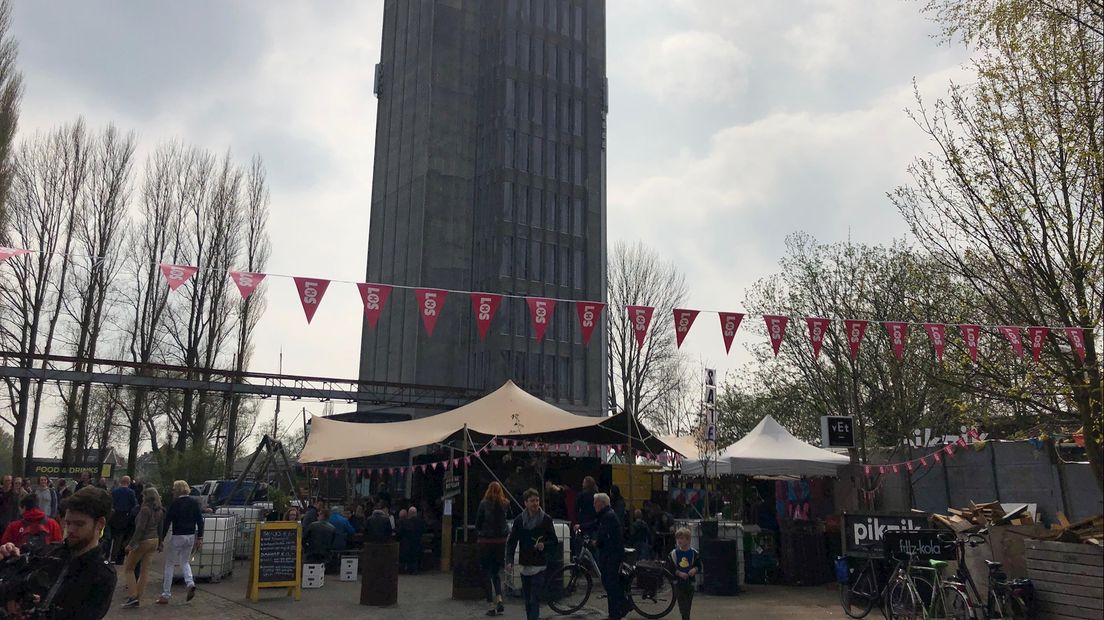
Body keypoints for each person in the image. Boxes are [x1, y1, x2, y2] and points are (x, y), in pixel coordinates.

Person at [0, 486, 117, 619]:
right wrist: (10, 558)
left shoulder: (101, 575)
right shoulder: (51, 552)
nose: (71, 530)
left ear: (100, 523)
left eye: (79, 524)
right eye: (67, 523)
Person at [506, 488, 557, 620]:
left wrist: (544, 545)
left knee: (534, 599)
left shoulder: (545, 520)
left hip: (540, 565)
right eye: (532, 501)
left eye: (537, 500)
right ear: (525, 503)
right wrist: (509, 560)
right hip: (525, 564)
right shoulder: (519, 521)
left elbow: (554, 541)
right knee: (528, 600)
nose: (535, 503)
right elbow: (512, 542)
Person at [157, 480, 203, 605]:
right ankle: (190, 582)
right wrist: (200, 537)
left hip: (178, 535)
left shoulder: (175, 503)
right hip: (190, 535)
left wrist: (161, 539)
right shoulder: (194, 503)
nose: (172, 491)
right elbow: (200, 520)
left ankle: (166, 594)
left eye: (173, 489)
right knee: (185, 561)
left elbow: (167, 522)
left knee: (170, 564)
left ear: (177, 490)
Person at [120, 487, 165, 608]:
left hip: (144, 540)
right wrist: (160, 542)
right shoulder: (160, 510)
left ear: (146, 497)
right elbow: (160, 528)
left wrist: (131, 544)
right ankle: (138, 595)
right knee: (145, 570)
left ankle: (133, 595)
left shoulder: (144, 510)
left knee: (129, 568)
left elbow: (140, 528)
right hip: (154, 540)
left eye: (143, 496)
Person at [476, 481, 510, 615]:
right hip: (500, 542)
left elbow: (478, 522)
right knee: (496, 573)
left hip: (485, 541)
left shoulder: (483, 504)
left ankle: (490, 605)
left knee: (486, 572)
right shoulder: (505, 504)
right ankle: (500, 598)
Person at [593, 492, 626, 620]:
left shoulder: (608, 516)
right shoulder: (606, 514)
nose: (593, 505)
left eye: (595, 503)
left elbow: (604, 534)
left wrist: (597, 542)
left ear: (601, 504)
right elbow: (596, 524)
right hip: (610, 554)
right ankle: (614, 612)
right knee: (609, 582)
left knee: (610, 583)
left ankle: (616, 611)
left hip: (611, 555)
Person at [665, 527, 702, 620]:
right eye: (678, 538)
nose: (679, 540)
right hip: (678, 583)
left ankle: (686, 617)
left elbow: (699, 566)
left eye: (681, 538)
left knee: (688, 603)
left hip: (690, 582)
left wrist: (695, 569)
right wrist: (678, 573)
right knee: (682, 604)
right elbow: (670, 568)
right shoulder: (673, 554)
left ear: (688, 540)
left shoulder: (694, 553)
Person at [109, 475, 137, 565]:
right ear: (129, 483)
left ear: (121, 482)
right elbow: (134, 505)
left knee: (110, 537)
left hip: (114, 515)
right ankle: (116, 558)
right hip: (124, 516)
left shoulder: (115, 491)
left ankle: (106, 555)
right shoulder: (131, 492)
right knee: (119, 538)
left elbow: (110, 503)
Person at [402, 507, 426, 573]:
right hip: (418, 542)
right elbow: (424, 530)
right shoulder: (421, 522)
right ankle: (416, 569)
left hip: (408, 543)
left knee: (410, 556)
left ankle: (410, 569)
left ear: (409, 513)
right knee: (416, 556)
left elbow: (402, 532)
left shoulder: (406, 522)